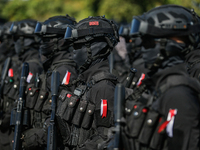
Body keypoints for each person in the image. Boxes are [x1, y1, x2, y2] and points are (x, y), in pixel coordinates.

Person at [115, 4, 200, 150]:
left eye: (148, 42)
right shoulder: (158, 86)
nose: (142, 48)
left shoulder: (178, 95)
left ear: (168, 45)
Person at [55, 15, 119, 150]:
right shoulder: (84, 82)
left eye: (78, 46)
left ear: (95, 48)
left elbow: (105, 137)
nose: (73, 52)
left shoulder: (103, 87)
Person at [19, 15, 78, 150]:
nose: (42, 44)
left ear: (61, 41)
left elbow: (61, 118)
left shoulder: (64, 70)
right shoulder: (52, 69)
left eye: (47, 39)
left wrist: (30, 139)